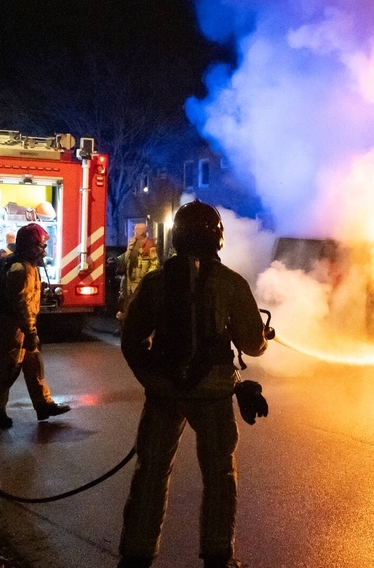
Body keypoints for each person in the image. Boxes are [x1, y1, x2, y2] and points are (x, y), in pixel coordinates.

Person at [118, 201, 267, 568]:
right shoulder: (231, 283)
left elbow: (131, 339)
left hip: (163, 395)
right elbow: (252, 344)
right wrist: (261, 336)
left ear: (178, 237)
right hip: (214, 394)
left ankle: (136, 555)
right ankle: (218, 556)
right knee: (219, 473)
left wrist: (154, 378)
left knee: (150, 471)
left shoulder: (156, 282)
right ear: (217, 238)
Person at [0, 223, 71, 428]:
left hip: (22, 326)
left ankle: (44, 405)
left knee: (33, 365)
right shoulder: (20, 269)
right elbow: (20, 305)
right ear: (30, 246)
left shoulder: (29, 267)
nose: (43, 250)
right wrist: (30, 331)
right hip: (13, 327)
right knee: (9, 367)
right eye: (40, 246)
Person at [117, 222, 159, 320]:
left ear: (143, 232)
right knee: (126, 303)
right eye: (134, 229)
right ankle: (126, 325)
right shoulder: (132, 242)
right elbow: (126, 260)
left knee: (139, 305)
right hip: (129, 281)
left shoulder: (149, 245)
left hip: (140, 281)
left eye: (136, 229)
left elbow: (154, 263)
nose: (134, 231)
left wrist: (147, 277)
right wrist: (129, 249)